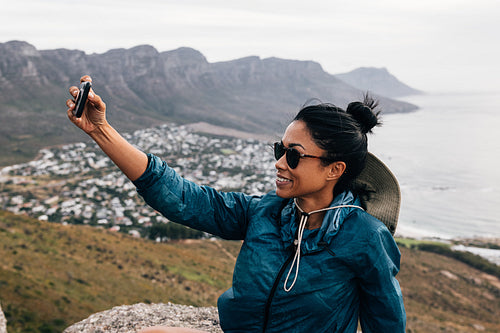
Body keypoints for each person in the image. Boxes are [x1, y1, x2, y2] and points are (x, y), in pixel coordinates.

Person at [66, 75, 406, 332]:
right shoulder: (265, 212)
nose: (279, 162)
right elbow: (181, 197)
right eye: (279, 149)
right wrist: (101, 130)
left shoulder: (366, 236)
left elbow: (386, 324)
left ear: (335, 169)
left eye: (294, 155)